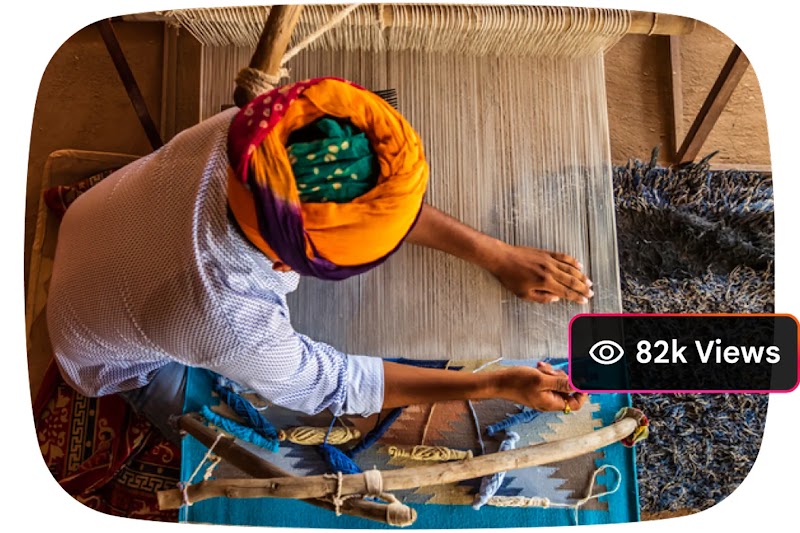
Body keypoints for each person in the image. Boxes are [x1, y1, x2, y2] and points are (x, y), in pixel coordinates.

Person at [46, 77, 593, 444]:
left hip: (98, 221)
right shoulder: (230, 322)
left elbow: (368, 195)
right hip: (101, 350)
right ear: (291, 268)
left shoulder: (254, 129)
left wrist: (493, 252)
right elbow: (334, 386)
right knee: (236, 420)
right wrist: (494, 384)